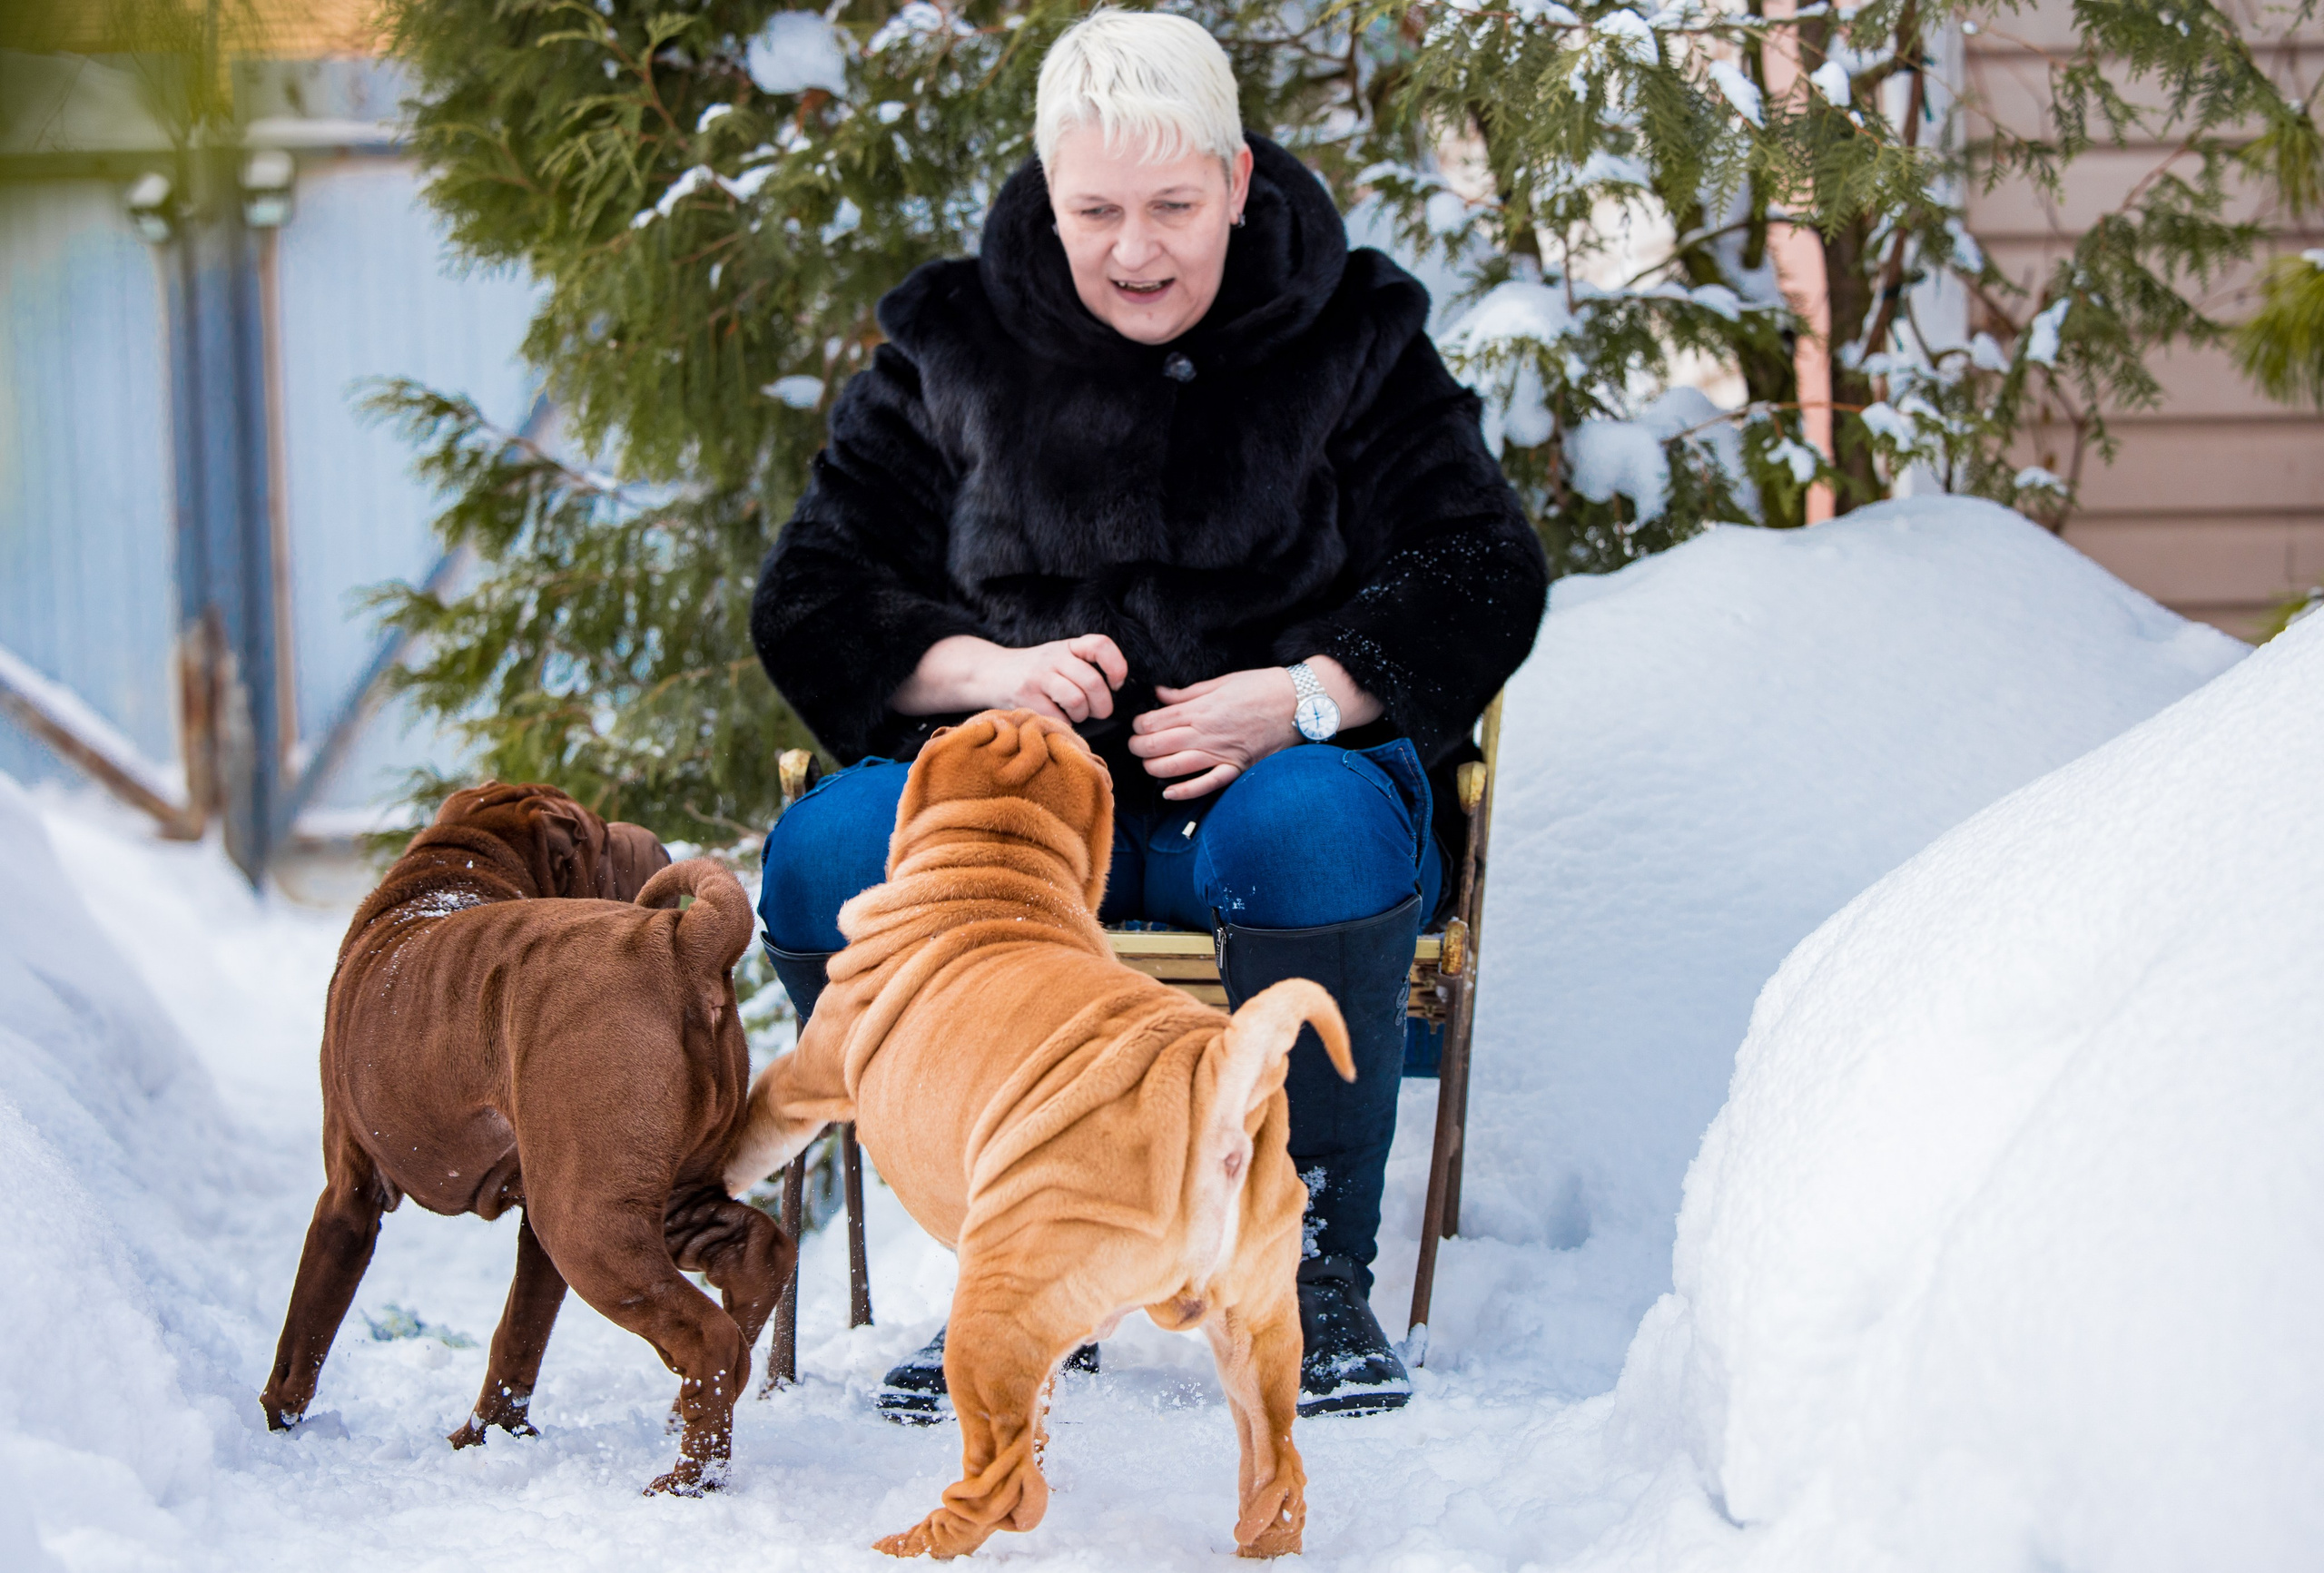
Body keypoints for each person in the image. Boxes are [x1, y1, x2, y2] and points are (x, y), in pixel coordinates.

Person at [750, 7, 1547, 1421]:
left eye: (1175, 206)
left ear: (1237, 183)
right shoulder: (952, 346)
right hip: (1020, 832)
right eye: (1097, 211)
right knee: (824, 858)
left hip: (1260, 811)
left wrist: (1304, 697)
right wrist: (981, 672)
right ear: (1049, 192)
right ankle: (1001, 1245)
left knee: (1308, 829)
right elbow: (812, 592)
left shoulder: (1354, 339)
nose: (1135, 250)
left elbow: (1480, 568)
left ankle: (1308, 1268)